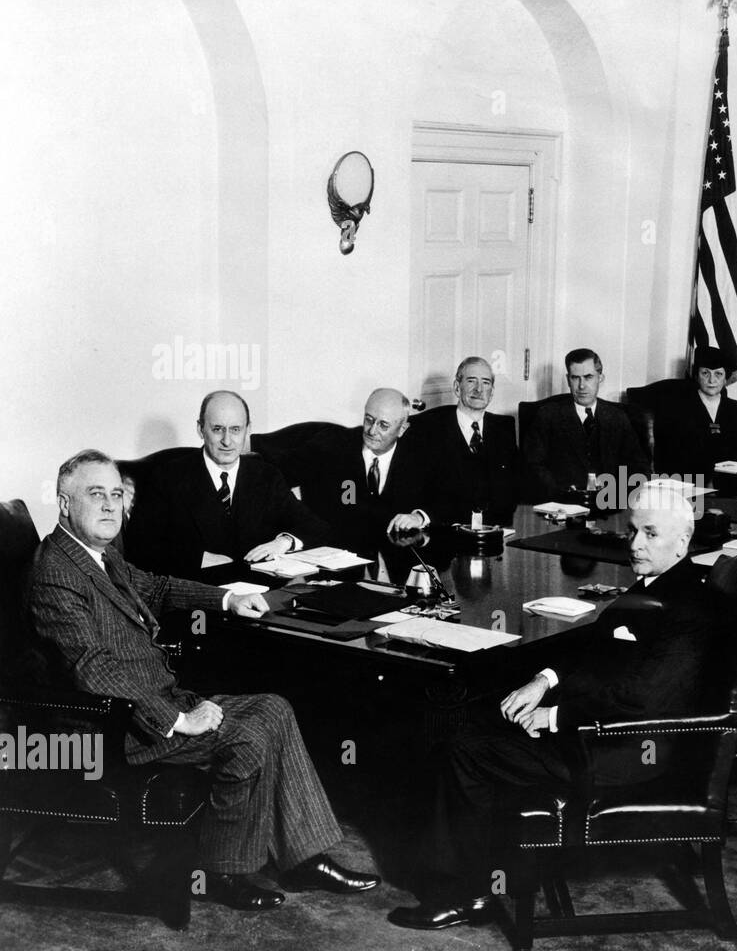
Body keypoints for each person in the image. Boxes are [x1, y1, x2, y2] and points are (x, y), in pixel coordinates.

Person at [27, 450, 379, 910]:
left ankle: (303, 855)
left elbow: (158, 587)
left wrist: (227, 598)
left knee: (275, 706)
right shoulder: (56, 572)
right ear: (64, 502)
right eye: (97, 495)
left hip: (151, 696)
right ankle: (223, 871)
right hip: (114, 727)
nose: (111, 506)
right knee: (248, 736)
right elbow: (93, 668)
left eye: (116, 494)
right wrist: (177, 719)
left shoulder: (98, 554)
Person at [388, 485, 735, 931]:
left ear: (683, 541)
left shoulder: (687, 606)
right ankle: (494, 870)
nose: (635, 544)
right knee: (473, 716)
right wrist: (543, 680)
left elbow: (643, 699)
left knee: (466, 748)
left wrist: (553, 717)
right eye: (632, 531)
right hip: (600, 728)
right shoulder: (655, 583)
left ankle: (465, 894)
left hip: (625, 749)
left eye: (650, 534)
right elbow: (595, 646)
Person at [125, 390, 331, 575]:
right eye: (217, 429)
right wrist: (197, 558)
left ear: (248, 429)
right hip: (199, 596)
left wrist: (283, 542)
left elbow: (315, 526)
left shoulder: (265, 475)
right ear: (200, 429)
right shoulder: (168, 477)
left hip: (260, 596)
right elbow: (140, 546)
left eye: (235, 430)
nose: (227, 441)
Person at [297, 388, 437, 554]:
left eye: (383, 425)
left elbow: (446, 499)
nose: (372, 431)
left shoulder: (420, 456)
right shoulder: (334, 449)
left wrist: (419, 517)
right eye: (369, 420)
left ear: (402, 429)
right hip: (341, 556)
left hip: (399, 558)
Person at [521, 349, 651, 502]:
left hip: (610, 505)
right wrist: (564, 494)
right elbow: (533, 467)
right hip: (563, 505)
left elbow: (639, 467)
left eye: (588, 377)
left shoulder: (618, 417)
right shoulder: (547, 415)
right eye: (575, 378)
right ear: (568, 379)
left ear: (600, 379)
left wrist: (614, 494)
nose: (582, 386)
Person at [405, 357, 520, 524]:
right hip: (445, 530)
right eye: (471, 381)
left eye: (486, 383)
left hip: (495, 530)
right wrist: (421, 516)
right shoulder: (426, 428)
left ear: (492, 392)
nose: (479, 389)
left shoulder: (503, 428)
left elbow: (513, 485)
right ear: (457, 388)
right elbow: (416, 488)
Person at [650, 346, 737, 477]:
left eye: (718, 374)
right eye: (705, 373)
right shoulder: (676, 408)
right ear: (696, 376)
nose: (712, 380)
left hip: (729, 482)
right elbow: (668, 457)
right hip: (689, 482)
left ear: (725, 377)